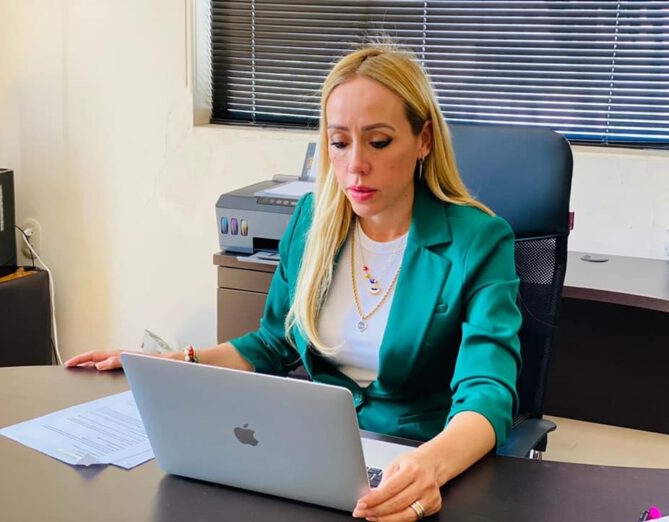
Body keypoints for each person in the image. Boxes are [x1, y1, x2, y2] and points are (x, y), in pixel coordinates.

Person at [66, 45, 522, 521]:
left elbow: (487, 391)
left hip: (413, 465)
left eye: (379, 141)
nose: (355, 165)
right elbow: (272, 344)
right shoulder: (312, 222)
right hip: (309, 457)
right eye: (339, 142)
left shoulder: (478, 241)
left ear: (423, 139)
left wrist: (428, 465)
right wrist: (170, 365)